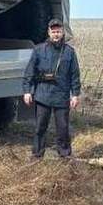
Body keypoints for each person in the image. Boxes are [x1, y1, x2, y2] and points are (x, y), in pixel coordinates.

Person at [23, 18, 81, 158]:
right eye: (53, 31)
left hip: (61, 96)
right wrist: (27, 91)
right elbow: (29, 72)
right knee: (40, 128)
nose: (56, 34)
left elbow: (74, 75)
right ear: (49, 32)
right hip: (43, 95)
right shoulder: (38, 50)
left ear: (62, 33)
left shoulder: (69, 52)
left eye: (58, 31)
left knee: (63, 129)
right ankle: (37, 155)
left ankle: (65, 154)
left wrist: (75, 94)